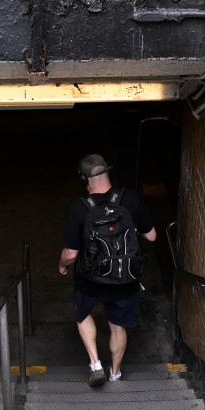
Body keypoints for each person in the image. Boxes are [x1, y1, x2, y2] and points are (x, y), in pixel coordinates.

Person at [58, 154, 156, 386]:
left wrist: (62, 265)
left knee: (83, 315)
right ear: (108, 172)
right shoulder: (131, 198)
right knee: (117, 325)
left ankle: (95, 364)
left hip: (90, 280)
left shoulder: (78, 208)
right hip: (125, 278)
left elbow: (71, 254)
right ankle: (116, 372)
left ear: (84, 179)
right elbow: (151, 236)